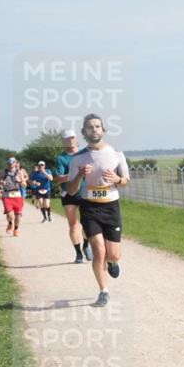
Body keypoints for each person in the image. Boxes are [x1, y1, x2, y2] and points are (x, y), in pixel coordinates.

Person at [66, 114, 130, 307]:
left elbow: (126, 181)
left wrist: (117, 180)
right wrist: (79, 175)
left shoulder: (117, 153)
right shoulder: (78, 158)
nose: (94, 130)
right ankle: (103, 291)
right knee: (98, 251)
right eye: (89, 127)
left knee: (113, 254)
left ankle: (113, 262)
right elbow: (71, 190)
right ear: (84, 132)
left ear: (103, 130)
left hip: (111, 207)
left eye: (97, 126)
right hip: (90, 207)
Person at [53, 130, 93, 263]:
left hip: (85, 192)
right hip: (68, 194)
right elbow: (58, 179)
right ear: (63, 141)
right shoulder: (61, 158)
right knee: (73, 224)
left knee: (88, 223)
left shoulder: (85, 154)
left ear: (76, 139)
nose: (70, 140)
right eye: (67, 138)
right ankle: (78, 254)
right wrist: (76, 173)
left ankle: (86, 245)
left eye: (72, 138)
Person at [0, 158, 28, 236]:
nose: (10, 164)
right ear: (7, 164)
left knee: (18, 215)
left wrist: (19, 181)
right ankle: (10, 223)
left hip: (17, 195)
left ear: (15, 163)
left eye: (12, 163)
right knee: (9, 215)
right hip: (6, 195)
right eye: (9, 163)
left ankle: (16, 229)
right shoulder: (3, 172)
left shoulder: (19, 172)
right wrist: (1, 182)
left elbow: (25, 184)